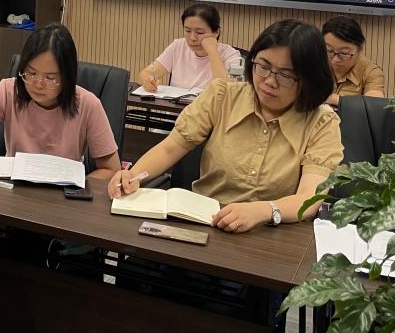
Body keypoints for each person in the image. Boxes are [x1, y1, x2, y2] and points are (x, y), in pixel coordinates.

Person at [110, 19, 343, 233]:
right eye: (263, 66)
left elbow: (309, 198)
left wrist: (264, 210)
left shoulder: (321, 122)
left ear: (309, 79)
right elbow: (170, 148)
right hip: (204, 221)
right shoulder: (223, 96)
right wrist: (133, 176)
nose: (270, 81)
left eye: (285, 75)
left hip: (269, 232)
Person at [0, 23, 121, 180]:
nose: (38, 84)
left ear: (67, 76)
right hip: (13, 188)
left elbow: (111, 169)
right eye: (31, 73)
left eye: (50, 78)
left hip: (63, 194)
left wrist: (78, 187)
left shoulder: (88, 104)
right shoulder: (7, 91)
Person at [136, 3, 241, 92]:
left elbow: (229, 91)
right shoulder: (178, 46)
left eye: (200, 32)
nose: (192, 38)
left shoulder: (231, 55)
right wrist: (148, 81)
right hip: (177, 109)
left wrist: (213, 52)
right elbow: (147, 72)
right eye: (187, 31)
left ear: (216, 32)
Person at [321, 16, 385, 106]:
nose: (335, 60)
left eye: (344, 53)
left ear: (360, 49)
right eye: (329, 51)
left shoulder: (371, 72)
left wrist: (333, 99)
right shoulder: (315, 62)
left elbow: (373, 106)